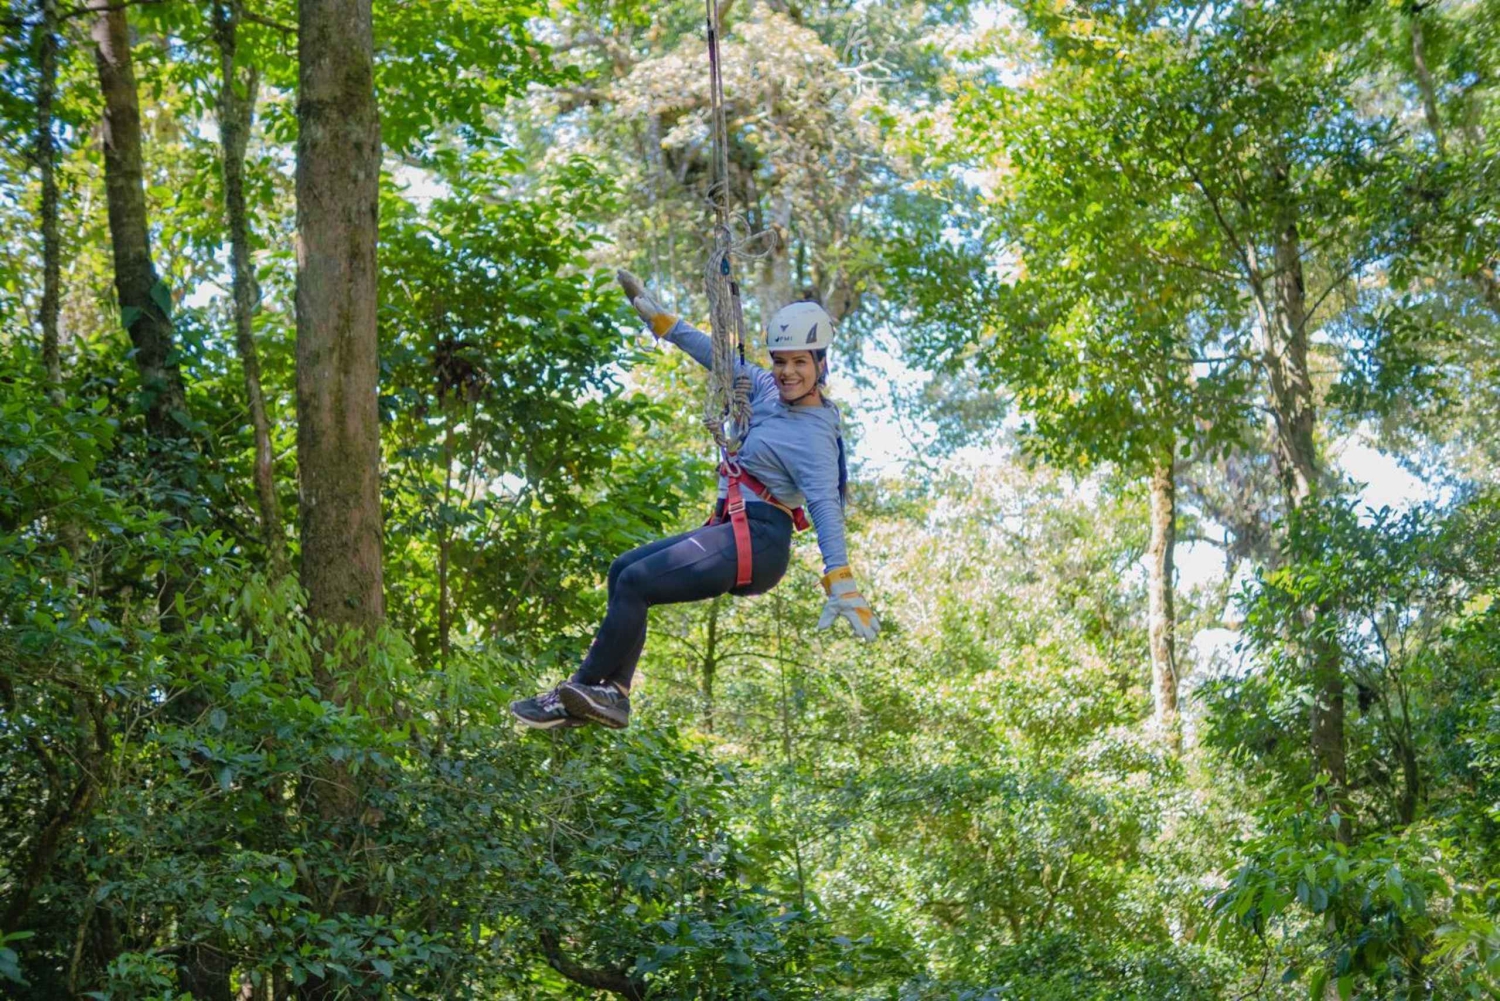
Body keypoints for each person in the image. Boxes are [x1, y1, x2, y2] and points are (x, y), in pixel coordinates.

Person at [510, 271, 880, 730]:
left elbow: (824, 504)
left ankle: (571, 696)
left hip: (760, 542)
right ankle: (614, 693)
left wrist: (840, 576)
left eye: (799, 363)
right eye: (781, 361)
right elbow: (719, 358)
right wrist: (662, 322)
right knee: (623, 571)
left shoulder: (815, 434)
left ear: (821, 365)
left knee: (637, 584)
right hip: (737, 527)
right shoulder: (765, 389)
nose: (787, 372)